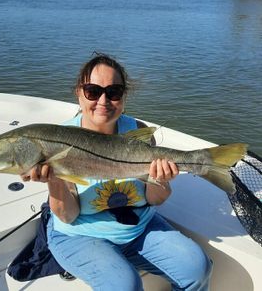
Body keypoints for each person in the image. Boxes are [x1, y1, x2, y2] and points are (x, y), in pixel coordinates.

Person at [22, 54, 212, 291]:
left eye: (113, 92)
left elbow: (155, 198)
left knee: (197, 268)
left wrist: (160, 179)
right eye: (93, 91)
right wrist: (54, 181)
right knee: (125, 286)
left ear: (123, 97)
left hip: (138, 228)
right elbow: (68, 216)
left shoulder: (137, 132)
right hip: (78, 234)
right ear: (79, 93)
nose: (103, 100)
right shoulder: (58, 140)